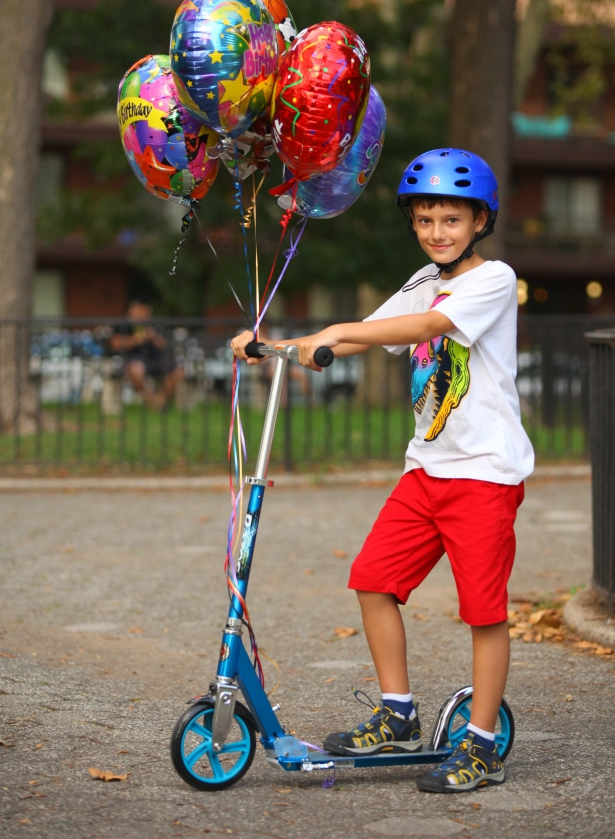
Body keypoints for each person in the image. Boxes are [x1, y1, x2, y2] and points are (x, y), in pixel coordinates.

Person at [231, 149, 534, 793]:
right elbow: (364, 334)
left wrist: (334, 333)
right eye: (424, 220)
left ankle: (481, 744)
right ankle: (397, 712)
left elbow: (427, 326)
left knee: (483, 612)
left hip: (485, 475)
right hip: (426, 472)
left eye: (451, 219)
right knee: (373, 580)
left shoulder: (493, 279)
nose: (436, 232)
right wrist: (273, 346)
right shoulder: (424, 277)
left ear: (481, 221)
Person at [111, 299, 183, 410]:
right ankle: (151, 401)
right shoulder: (123, 324)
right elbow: (115, 344)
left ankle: (160, 399)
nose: (145, 314)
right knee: (136, 370)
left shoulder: (153, 324)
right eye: (142, 310)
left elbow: (164, 344)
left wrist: (154, 338)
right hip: (135, 358)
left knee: (179, 370)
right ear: (132, 310)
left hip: (156, 358)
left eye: (147, 311)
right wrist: (137, 340)